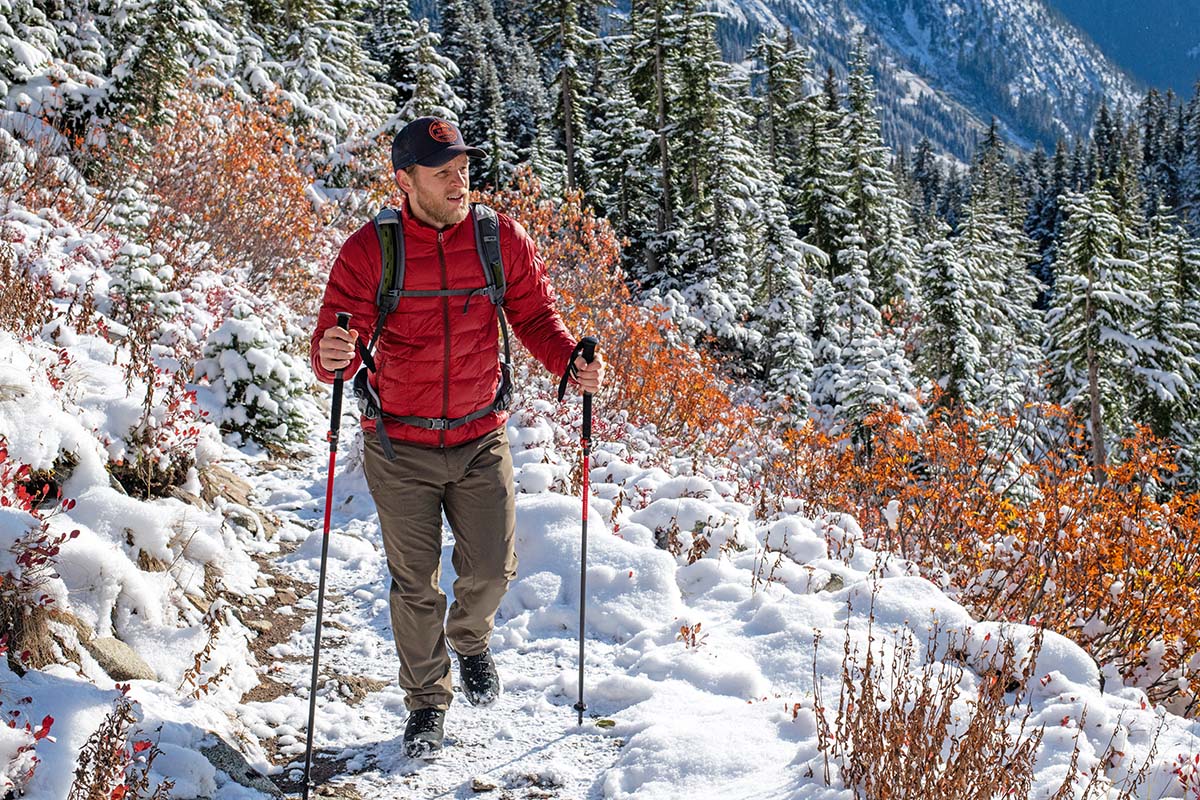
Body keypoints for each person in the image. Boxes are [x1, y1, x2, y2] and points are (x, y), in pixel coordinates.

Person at [309, 116, 605, 759]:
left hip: (479, 437)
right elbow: (338, 334)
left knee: (494, 570)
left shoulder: (499, 239)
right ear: (404, 180)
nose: (458, 180)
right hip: (398, 444)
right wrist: (331, 351)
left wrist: (567, 362)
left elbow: (534, 315)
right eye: (442, 171)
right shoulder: (371, 251)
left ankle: (470, 640)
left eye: (463, 167)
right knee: (414, 584)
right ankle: (426, 704)